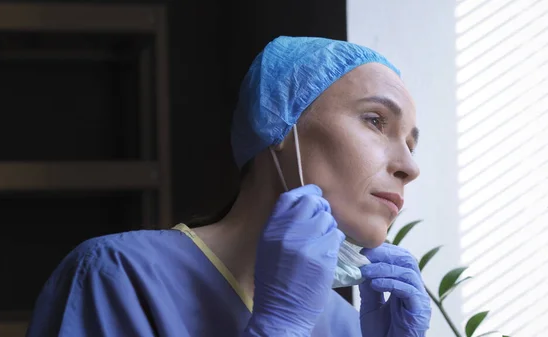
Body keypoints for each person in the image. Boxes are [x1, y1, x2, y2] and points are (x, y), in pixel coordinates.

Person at [26, 36, 431, 337]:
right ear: (280, 124)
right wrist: (280, 327)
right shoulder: (118, 276)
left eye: (411, 144)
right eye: (376, 121)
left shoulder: (344, 325)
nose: (409, 167)